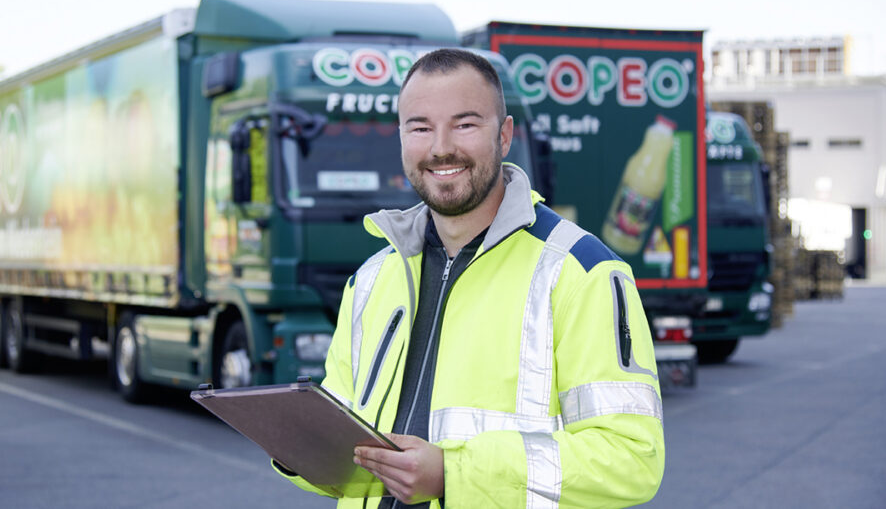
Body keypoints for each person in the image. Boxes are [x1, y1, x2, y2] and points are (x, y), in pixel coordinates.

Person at [276, 48, 664, 508]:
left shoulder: (580, 272)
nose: (441, 147)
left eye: (464, 124)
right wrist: (293, 446)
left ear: (503, 136)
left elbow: (632, 459)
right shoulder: (371, 280)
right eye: (420, 127)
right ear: (401, 138)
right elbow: (347, 453)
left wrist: (453, 474)